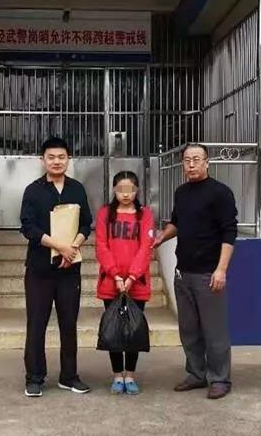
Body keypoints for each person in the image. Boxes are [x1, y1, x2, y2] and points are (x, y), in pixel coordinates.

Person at [154, 144, 238, 401]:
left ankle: (220, 378)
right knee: (188, 330)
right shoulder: (181, 193)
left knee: (214, 331)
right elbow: (177, 224)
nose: (191, 164)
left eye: (196, 159)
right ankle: (196, 373)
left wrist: (221, 270)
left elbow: (229, 233)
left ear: (207, 162)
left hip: (208, 274)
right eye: (187, 160)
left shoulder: (220, 193)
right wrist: (161, 237)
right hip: (183, 273)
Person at [20, 137, 93, 398]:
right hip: (39, 269)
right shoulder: (33, 190)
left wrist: (72, 247)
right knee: (36, 324)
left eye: (61, 157)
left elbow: (86, 224)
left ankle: (69, 376)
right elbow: (27, 227)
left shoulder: (77, 189)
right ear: (43, 160)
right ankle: (34, 377)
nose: (56, 161)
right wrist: (59, 246)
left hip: (69, 269)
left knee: (69, 324)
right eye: (51, 157)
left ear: (68, 159)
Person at [95, 171, 155, 395]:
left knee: (132, 329)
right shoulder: (105, 213)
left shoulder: (145, 214)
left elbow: (146, 247)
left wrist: (131, 277)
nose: (126, 194)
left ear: (137, 190)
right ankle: (116, 375)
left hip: (136, 283)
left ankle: (130, 375)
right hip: (111, 283)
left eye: (130, 190)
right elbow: (101, 246)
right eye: (121, 190)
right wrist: (116, 275)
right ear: (114, 190)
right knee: (114, 329)